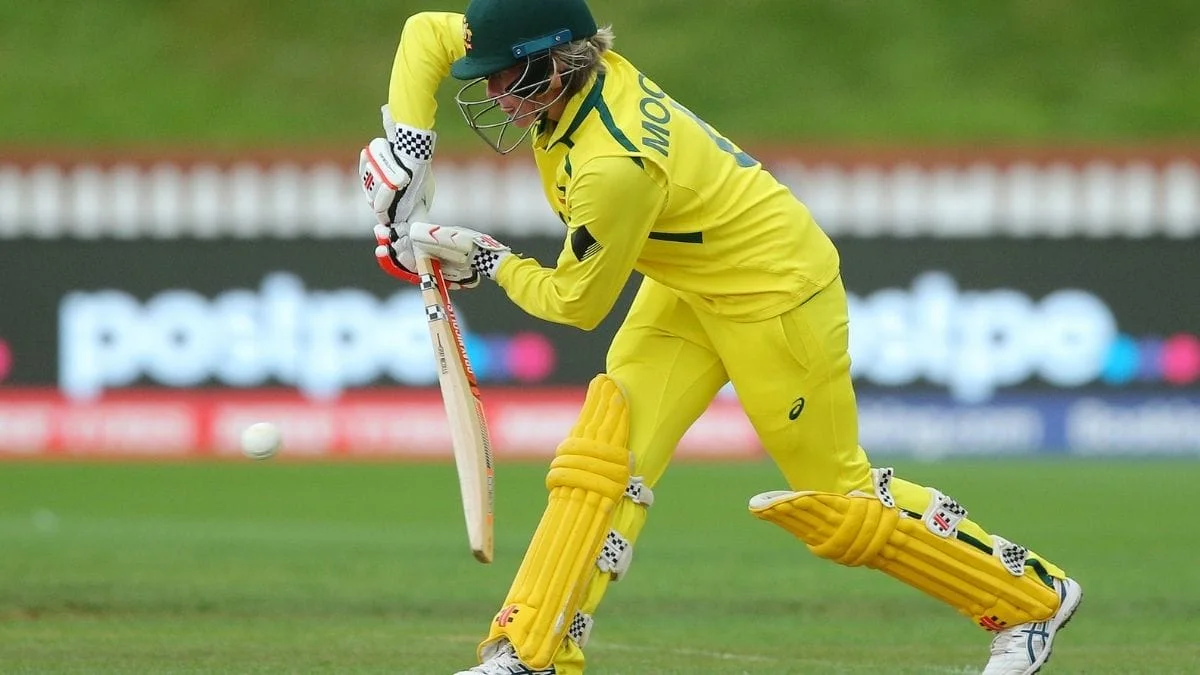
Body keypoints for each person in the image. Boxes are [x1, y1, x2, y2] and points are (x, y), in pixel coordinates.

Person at [357, 0, 1082, 673]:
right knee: (601, 459)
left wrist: (489, 261)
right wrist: (410, 154)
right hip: (685, 281)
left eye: (508, 76)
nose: (494, 94)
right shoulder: (557, 67)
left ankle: (1031, 601)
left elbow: (575, 302)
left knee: (839, 505)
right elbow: (425, 32)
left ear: (556, 62)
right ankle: (531, 652)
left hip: (774, 292)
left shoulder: (616, 165)